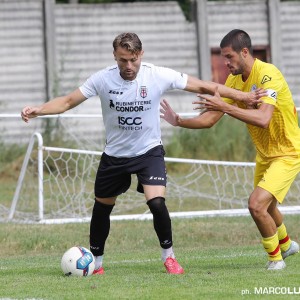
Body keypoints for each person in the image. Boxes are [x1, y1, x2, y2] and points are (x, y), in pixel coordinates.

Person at [21, 32, 263, 275]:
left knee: (157, 202)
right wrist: (38, 110)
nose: (129, 66)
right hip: (115, 155)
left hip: (149, 152)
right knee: (102, 208)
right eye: (123, 60)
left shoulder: (156, 75)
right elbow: (66, 102)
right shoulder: (102, 79)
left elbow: (205, 85)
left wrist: (245, 96)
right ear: (115, 56)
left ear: (141, 55)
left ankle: (169, 257)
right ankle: (96, 263)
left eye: (133, 60)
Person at [161, 29, 300, 270]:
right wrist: (179, 120)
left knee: (256, 205)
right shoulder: (234, 82)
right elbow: (209, 119)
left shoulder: (268, 75)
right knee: (268, 207)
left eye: (229, 57)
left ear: (244, 52)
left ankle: (276, 261)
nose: (225, 63)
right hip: (265, 154)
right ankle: (287, 245)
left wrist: (226, 107)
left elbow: (263, 118)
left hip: (288, 152)